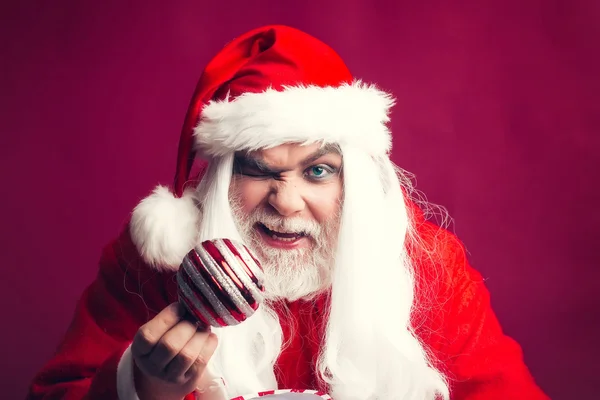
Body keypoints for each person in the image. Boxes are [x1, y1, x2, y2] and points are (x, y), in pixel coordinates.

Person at [26, 25, 549, 400]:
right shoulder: (150, 266)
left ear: (354, 180)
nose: (286, 202)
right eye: (258, 171)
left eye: (317, 171)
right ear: (225, 178)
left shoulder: (428, 267)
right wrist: (138, 386)